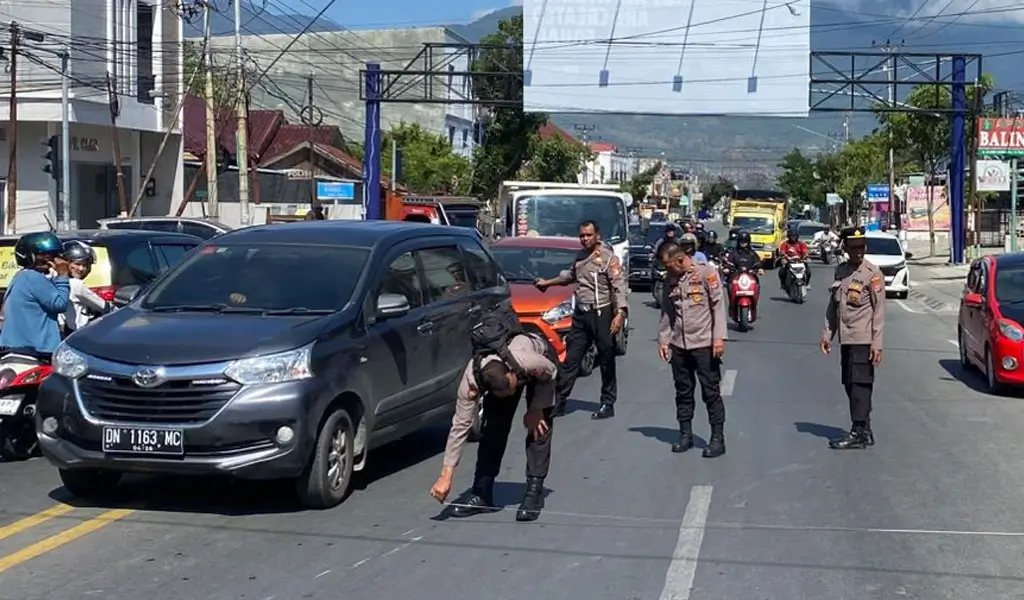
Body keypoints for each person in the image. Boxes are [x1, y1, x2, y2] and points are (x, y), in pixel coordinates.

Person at [430, 332, 558, 522]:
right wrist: (446, 476)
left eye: (512, 388)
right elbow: (460, 427)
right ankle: (482, 493)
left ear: (511, 373)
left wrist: (537, 407)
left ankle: (534, 492)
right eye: (508, 392)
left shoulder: (526, 360)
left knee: (538, 426)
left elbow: (551, 371)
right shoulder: (471, 380)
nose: (513, 393)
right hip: (502, 377)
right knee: (493, 428)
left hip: (542, 368)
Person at [535, 220, 628, 420]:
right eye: (582, 236)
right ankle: (558, 403)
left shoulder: (608, 258)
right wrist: (547, 284)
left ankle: (607, 403)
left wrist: (620, 313)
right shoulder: (580, 257)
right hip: (581, 314)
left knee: (606, 358)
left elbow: (618, 286)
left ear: (598, 236)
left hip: (601, 313)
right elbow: (570, 276)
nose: (585, 239)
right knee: (571, 359)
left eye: (588, 235)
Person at [656, 242, 727, 458]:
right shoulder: (670, 281)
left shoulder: (706, 273)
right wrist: (664, 339)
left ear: (680, 260)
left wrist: (718, 338)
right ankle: (685, 434)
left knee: (710, 392)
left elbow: (718, 305)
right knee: (683, 392)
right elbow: (667, 312)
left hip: (704, 344)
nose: (667, 271)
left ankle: (717, 438)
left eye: (669, 266)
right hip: (680, 345)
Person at [820, 226, 885, 450]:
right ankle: (865, 428)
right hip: (846, 340)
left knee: (860, 386)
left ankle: (858, 431)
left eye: (862, 247)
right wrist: (827, 334)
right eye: (854, 247)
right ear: (845, 247)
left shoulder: (872, 274)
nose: (858, 251)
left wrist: (877, 344)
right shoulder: (841, 271)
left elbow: (879, 312)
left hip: (863, 339)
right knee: (849, 383)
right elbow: (833, 306)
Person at [0, 232, 70, 355]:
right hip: (35, 350)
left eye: (52, 254)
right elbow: (59, 304)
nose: (48, 259)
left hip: (18, 347)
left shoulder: (22, 276)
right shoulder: (33, 278)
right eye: (41, 254)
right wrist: (63, 276)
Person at [59, 241, 109, 334]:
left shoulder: (56, 280)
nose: (81, 269)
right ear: (66, 263)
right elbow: (105, 307)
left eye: (85, 265)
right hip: (78, 333)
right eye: (77, 264)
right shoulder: (75, 285)